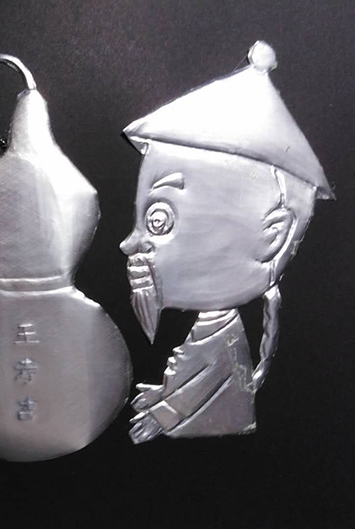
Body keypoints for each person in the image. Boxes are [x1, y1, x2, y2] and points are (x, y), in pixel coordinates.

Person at [119, 42, 334, 443]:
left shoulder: (223, 339)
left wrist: (161, 415)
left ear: (272, 236)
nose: (131, 243)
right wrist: (164, 394)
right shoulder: (214, 328)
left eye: (159, 220)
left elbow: (206, 384)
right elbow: (192, 380)